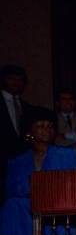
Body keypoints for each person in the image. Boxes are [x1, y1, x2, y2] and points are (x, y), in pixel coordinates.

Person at [0, 107, 76, 235]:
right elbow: (11, 191)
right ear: (30, 129)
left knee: (15, 211)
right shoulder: (17, 160)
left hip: (58, 211)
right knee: (13, 207)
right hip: (25, 213)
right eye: (41, 125)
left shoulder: (67, 154)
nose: (47, 129)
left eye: (50, 126)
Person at [0, 65, 34, 203]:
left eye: (20, 80)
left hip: (22, 163)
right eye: (12, 79)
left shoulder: (26, 107)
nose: (16, 83)